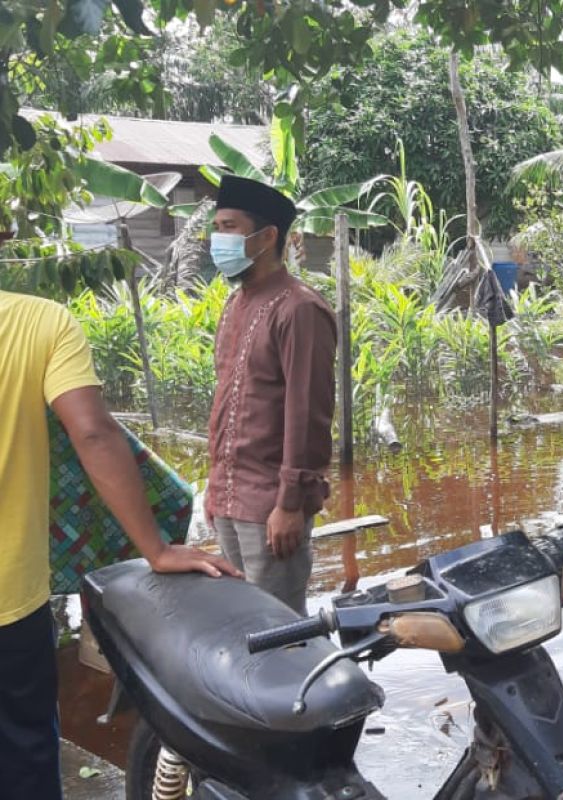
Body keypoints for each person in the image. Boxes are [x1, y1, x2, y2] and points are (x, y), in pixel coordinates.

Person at [0, 290, 240, 800]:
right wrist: (155, 549)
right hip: (10, 603)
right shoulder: (41, 321)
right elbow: (92, 433)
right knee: (23, 752)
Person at [205, 175, 337, 615]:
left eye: (228, 227)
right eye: (216, 227)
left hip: (271, 506)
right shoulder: (236, 303)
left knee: (278, 629)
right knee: (240, 621)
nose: (217, 238)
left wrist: (290, 504)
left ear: (266, 237)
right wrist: (214, 489)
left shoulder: (299, 309)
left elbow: (308, 414)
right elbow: (228, 401)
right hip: (229, 498)